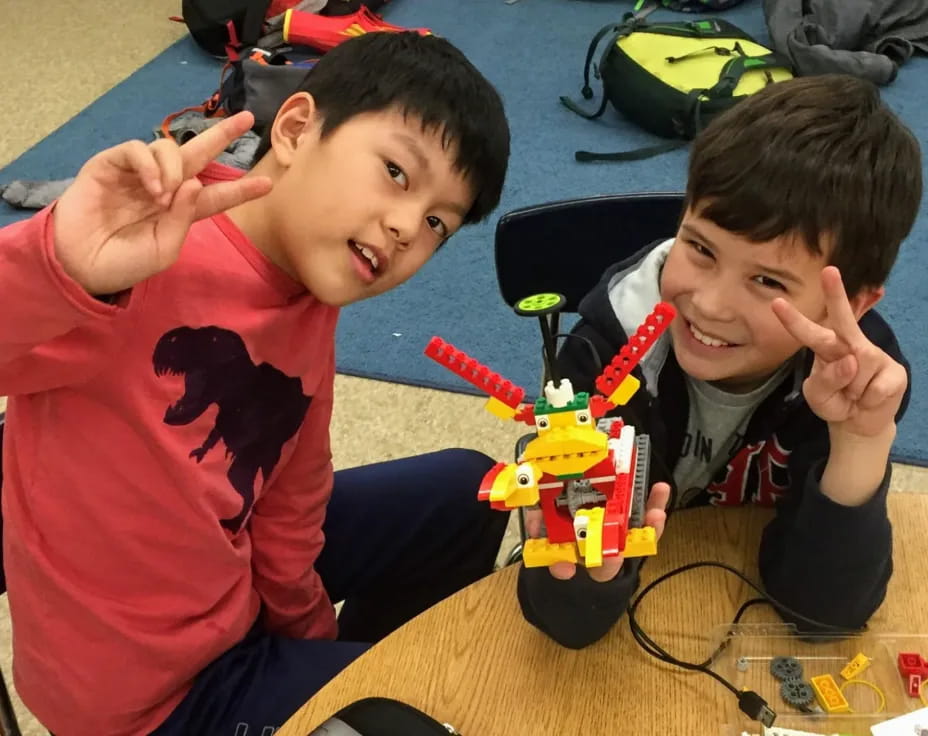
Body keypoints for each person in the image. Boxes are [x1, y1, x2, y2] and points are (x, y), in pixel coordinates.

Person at [0, 31, 511, 735]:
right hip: (146, 695)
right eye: (396, 172)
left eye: (436, 223)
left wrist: (315, 643)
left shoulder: (310, 286)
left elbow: (290, 495)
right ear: (298, 128)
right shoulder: (141, 255)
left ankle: (367, 671)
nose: (404, 227)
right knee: (427, 712)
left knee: (471, 491)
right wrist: (59, 261)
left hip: (230, 594)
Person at [517, 74, 920, 649]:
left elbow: (824, 616)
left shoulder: (855, 385)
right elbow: (563, 622)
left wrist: (859, 443)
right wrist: (586, 580)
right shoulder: (604, 351)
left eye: (766, 280)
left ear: (850, 305)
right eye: (700, 248)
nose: (707, 303)